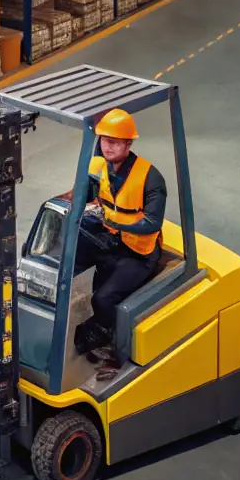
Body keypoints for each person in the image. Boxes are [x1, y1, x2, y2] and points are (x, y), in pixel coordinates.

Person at [69, 108, 167, 367]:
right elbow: (87, 196)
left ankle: (108, 335)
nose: (107, 147)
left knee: (102, 298)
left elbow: (152, 223)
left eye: (114, 142)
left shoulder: (150, 177)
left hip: (139, 253)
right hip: (112, 240)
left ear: (128, 144)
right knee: (71, 249)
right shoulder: (100, 165)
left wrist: (114, 222)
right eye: (104, 140)